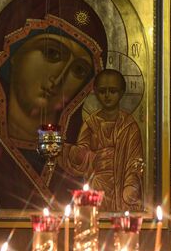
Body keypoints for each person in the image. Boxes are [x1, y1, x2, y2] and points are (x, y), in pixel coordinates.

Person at [0, 0, 108, 211]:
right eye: (52, 53)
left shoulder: (84, 161)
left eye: (79, 70)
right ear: (11, 53)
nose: (60, 78)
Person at [60, 69, 143, 211]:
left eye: (113, 91)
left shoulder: (129, 126)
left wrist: (131, 185)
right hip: (97, 184)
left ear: (122, 92)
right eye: (103, 91)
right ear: (96, 92)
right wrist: (63, 149)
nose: (107, 96)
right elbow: (82, 154)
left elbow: (134, 160)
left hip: (121, 184)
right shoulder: (91, 123)